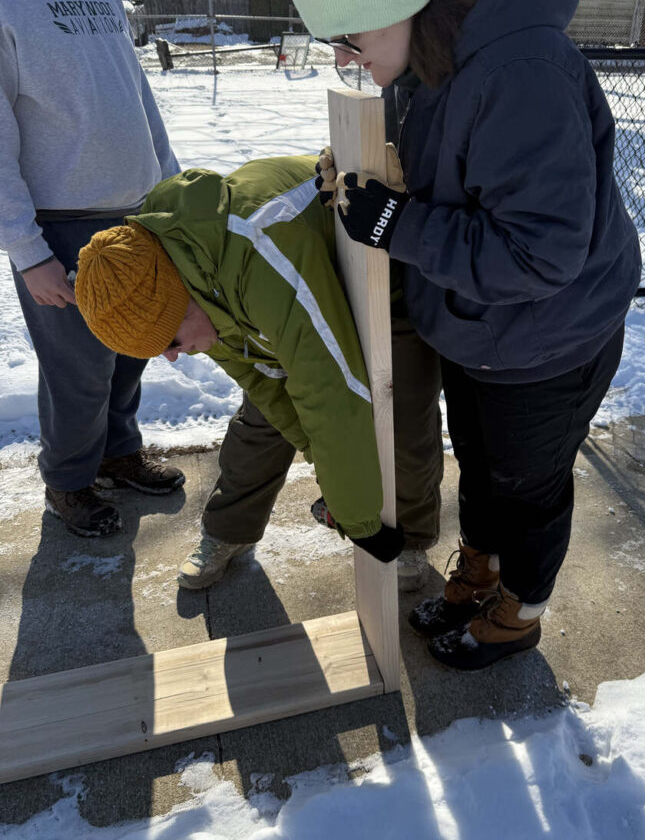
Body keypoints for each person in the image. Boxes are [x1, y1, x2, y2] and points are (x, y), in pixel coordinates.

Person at [286, 0, 642, 670]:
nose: (351, 61)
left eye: (351, 40)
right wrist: (366, 174)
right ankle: (482, 567)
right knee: (481, 467)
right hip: (484, 329)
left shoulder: (520, 71)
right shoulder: (436, 50)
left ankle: (521, 610)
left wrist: (395, 226)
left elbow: (541, 254)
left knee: (529, 484)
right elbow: (450, 165)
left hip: (550, 336)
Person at [74, 156, 407, 574]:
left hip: (389, 284)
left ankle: (411, 541)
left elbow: (329, 384)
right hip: (306, 305)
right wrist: (323, 463)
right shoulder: (183, 274)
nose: (173, 355)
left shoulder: (254, 247)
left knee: (400, 418)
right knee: (259, 428)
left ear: (179, 303)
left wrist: (359, 520)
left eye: (170, 341)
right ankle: (227, 535)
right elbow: (265, 380)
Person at [0, 0, 184, 538]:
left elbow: (135, 89)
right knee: (80, 370)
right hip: (62, 222)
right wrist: (28, 251)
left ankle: (117, 451)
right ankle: (70, 482)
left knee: (134, 346)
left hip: (139, 210)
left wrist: (173, 189)